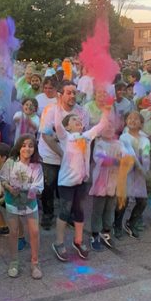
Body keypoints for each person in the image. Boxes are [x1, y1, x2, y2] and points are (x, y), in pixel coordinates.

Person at [52, 108, 109, 262]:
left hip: (81, 182)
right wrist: (58, 105)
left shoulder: (86, 137)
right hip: (65, 183)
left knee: (79, 211)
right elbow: (57, 125)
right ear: (68, 126)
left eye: (79, 119)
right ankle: (58, 242)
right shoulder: (66, 137)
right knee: (65, 211)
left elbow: (101, 125)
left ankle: (78, 240)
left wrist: (106, 109)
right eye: (73, 119)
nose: (78, 120)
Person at [38, 81, 89, 230]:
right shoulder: (50, 110)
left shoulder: (82, 112)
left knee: (70, 186)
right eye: (69, 92)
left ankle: (68, 215)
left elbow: (82, 136)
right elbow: (47, 136)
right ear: (60, 95)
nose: (73, 95)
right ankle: (48, 214)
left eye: (75, 92)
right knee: (49, 187)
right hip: (51, 155)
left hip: (73, 159)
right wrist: (63, 154)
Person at [0, 134, 44, 279]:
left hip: (30, 203)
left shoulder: (37, 166)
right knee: (14, 232)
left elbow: (39, 186)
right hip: (12, 202)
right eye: (24, 145)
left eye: (30, 146)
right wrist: (9, 188)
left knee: (35, 232)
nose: (27, 148)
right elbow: (3, 179)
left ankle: (35, 263)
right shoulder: (11, 162)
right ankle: (14, 262)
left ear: (34, 148)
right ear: (18, 147)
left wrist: (31, 191)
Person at [89, 124, 126, 251]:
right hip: (100, 183)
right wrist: (117, 161)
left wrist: (117, 160)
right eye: (106, 128)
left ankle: (106, 231)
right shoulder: (99, 144)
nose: (110, 129)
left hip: (114, 183)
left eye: (111, 127)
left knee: (110, 208)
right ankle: (94, 234)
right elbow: (102, 160)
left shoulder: (119, 144)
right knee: (98, 210)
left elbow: (125, 158)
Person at [116, 111, 151, 238]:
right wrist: (141, 167)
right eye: (130, 118)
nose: (132, 120)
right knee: (122, 201)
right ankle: (117, 224)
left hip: (140, 175)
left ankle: (131, 222)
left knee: (142, 201)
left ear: (141, 123)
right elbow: (129, 154)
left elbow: (146, 155)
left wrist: (145, 169)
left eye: (136, 119)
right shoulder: (123, 137)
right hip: (128, 172)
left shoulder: (145, 139)